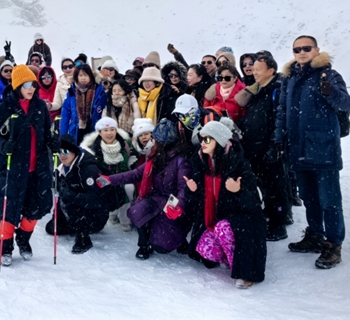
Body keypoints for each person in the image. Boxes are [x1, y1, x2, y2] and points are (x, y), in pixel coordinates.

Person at [275, 35, 350, 269]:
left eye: (306, 48)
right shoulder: (290, 79)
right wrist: (279, 138)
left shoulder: (329, 75)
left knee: (330, 201)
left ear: (316, 50)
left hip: (323, 148)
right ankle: (315, 236)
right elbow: (282, 110)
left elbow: (345, 104)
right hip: (297, 148)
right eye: (297, 49)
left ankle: (333, 244)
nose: (301, 52)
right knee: (310, 198)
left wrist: (330, 92)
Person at [0, 64, 60, 267]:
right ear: (18, 85)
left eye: (34, 85)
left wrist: (53, 141)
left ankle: (23, 239)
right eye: (28, 85)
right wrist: (4, 145)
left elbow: (46, 132)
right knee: (8, 210)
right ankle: (5, 246)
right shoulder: (4, 107)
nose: (32, 89)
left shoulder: (39, 107)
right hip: (13, 168)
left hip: (37, 168)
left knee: (35, 209)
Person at [186, 120, 266, 289]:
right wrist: (192, 190)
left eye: (208, 139)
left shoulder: (238, 164)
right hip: (215, 218)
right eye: (202, 139)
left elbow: (255, 204)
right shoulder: (203, 163)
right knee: (203, 248)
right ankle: (227, 257)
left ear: (219, 141)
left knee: (223, 228)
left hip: (242, 222)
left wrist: (238, 191)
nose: (202, 143)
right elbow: (199, 200)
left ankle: (243, 270)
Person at [97, 119, 192, 259]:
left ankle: (179, 240)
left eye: (154, 139)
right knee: (138, 209)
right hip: (154, 198)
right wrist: (110, 180)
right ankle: (144, 245)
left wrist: (178, 206)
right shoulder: (155, 158)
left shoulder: (180, 161)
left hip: (170, 204)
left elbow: (183, 188)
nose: (152, 141)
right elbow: (135, 174)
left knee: (162, 246)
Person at [236, 55, 289, 241]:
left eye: (258, 69)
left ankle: (279, 224)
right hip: (254, 148)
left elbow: (279, 120)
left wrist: (275, 145)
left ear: (271, 71)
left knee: (275, 187)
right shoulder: (258, 90)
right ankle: (271, 218)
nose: (254, 72)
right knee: (264, 187)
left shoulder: (277, 90)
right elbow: (254, 117)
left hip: (268, 148)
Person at [45, 134, 108, 254]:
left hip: (96, 216)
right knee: (52, 228)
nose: (62, 156)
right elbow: (60, 196)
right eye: (59, 152)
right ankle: (73, 224)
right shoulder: (63, 169)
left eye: (65, 151)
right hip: (77, 210)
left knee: (68, 198)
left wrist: (71, 196)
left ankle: (83, 238)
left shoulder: (88, 169)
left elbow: (97, 200)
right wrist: (56, 218)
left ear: (74, 150)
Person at [81, 117, 139, 232]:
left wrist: (132, 162)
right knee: (109, 193)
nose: (109, 133)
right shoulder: (93, 148)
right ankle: (112, 214)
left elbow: (136, 156)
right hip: (103, 180)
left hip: (123, 177)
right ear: (99, 132)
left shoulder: (125, 144)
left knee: (129, 188)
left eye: (112, 129)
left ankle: (125, 219)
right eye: (105, 130)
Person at [60, 64, 106, 144]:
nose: (83, 78)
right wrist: (63, 136)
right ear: (76, 77)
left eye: (86, 75)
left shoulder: (99, 91)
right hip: (77, 130)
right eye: (80, 75)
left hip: (94, 129)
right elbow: (65, 115)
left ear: (90, 76)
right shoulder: (72, 92)